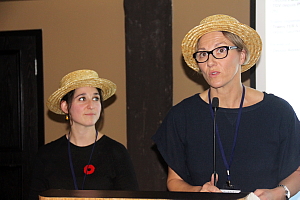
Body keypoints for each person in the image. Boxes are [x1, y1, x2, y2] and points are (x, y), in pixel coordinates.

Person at [152, 14, 300, 199]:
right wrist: (199, 191)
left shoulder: (278, 111)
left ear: (242, 55)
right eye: (203, 54)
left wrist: (280, 192)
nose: (210, 61)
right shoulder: (181, 115)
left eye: (220, 50)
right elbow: (174, 181)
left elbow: (297, 172)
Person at [29, 69, 139, 200]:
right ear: (65, 107)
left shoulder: (116, 152)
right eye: (82, 98)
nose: (91, 105)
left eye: (95, 98)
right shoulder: (46, 155)